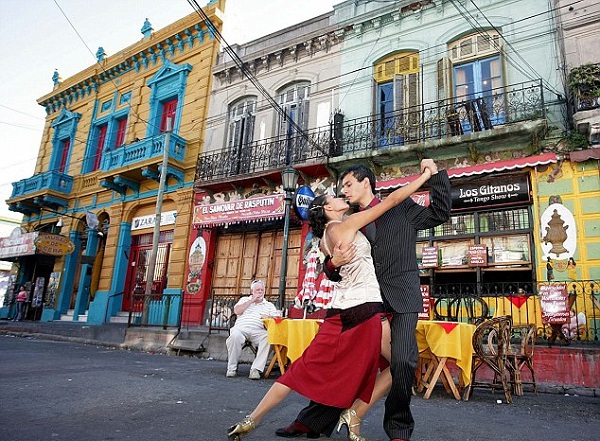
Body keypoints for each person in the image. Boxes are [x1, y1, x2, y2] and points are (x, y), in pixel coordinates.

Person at [227, 167, 434, 441]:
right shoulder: (346, 225)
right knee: (400, 364)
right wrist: (423, 177)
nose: (340, 196)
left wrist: (334, 262)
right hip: (366, 309)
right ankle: (354, 413)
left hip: (339, 312)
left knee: (301, 369)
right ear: (327, 209)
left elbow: (333, 265)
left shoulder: (324, 238)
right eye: (334, 197)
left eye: (344, 189)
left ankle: (251, 420)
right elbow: (392, 201)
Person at [277, 159, 451, 441]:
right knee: (346, 363)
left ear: (365, 182)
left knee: (404, 362)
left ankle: (398, 429)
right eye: (341, 187)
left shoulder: (402, 207)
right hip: (366, 302)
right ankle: (312, 420)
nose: (344, 191)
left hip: (403, 297)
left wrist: (436, 173)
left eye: (348, 184)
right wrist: (333, 265)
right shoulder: (347, 221)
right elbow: (332, 269)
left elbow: (440, 213)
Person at [226, 279, 277, 380]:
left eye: (262, 290)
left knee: (269, 338)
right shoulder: (245, 300)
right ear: (252, 291)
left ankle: (256, 369)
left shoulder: (269, 305)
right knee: (234, 336)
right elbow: (236, 311)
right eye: (257, 290)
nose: (260, 292)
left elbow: (276, 319)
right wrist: (251, 300)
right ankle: (231, 368)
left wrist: (268, 317)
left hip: (259, 331)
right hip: (241, 329)